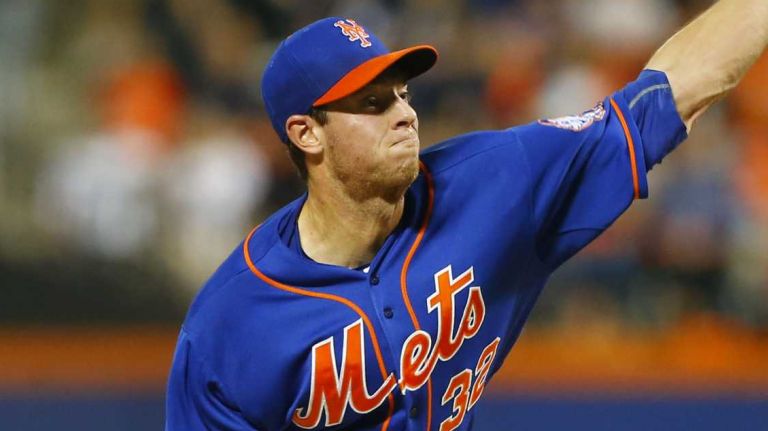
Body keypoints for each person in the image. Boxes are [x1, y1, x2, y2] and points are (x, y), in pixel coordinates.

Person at [165, 2, 768, 430]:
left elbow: (669, 93)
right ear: (306, 133)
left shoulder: (494, 181)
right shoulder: (229, 327)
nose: (404, 114)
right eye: (372, 104)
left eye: (401, 93)